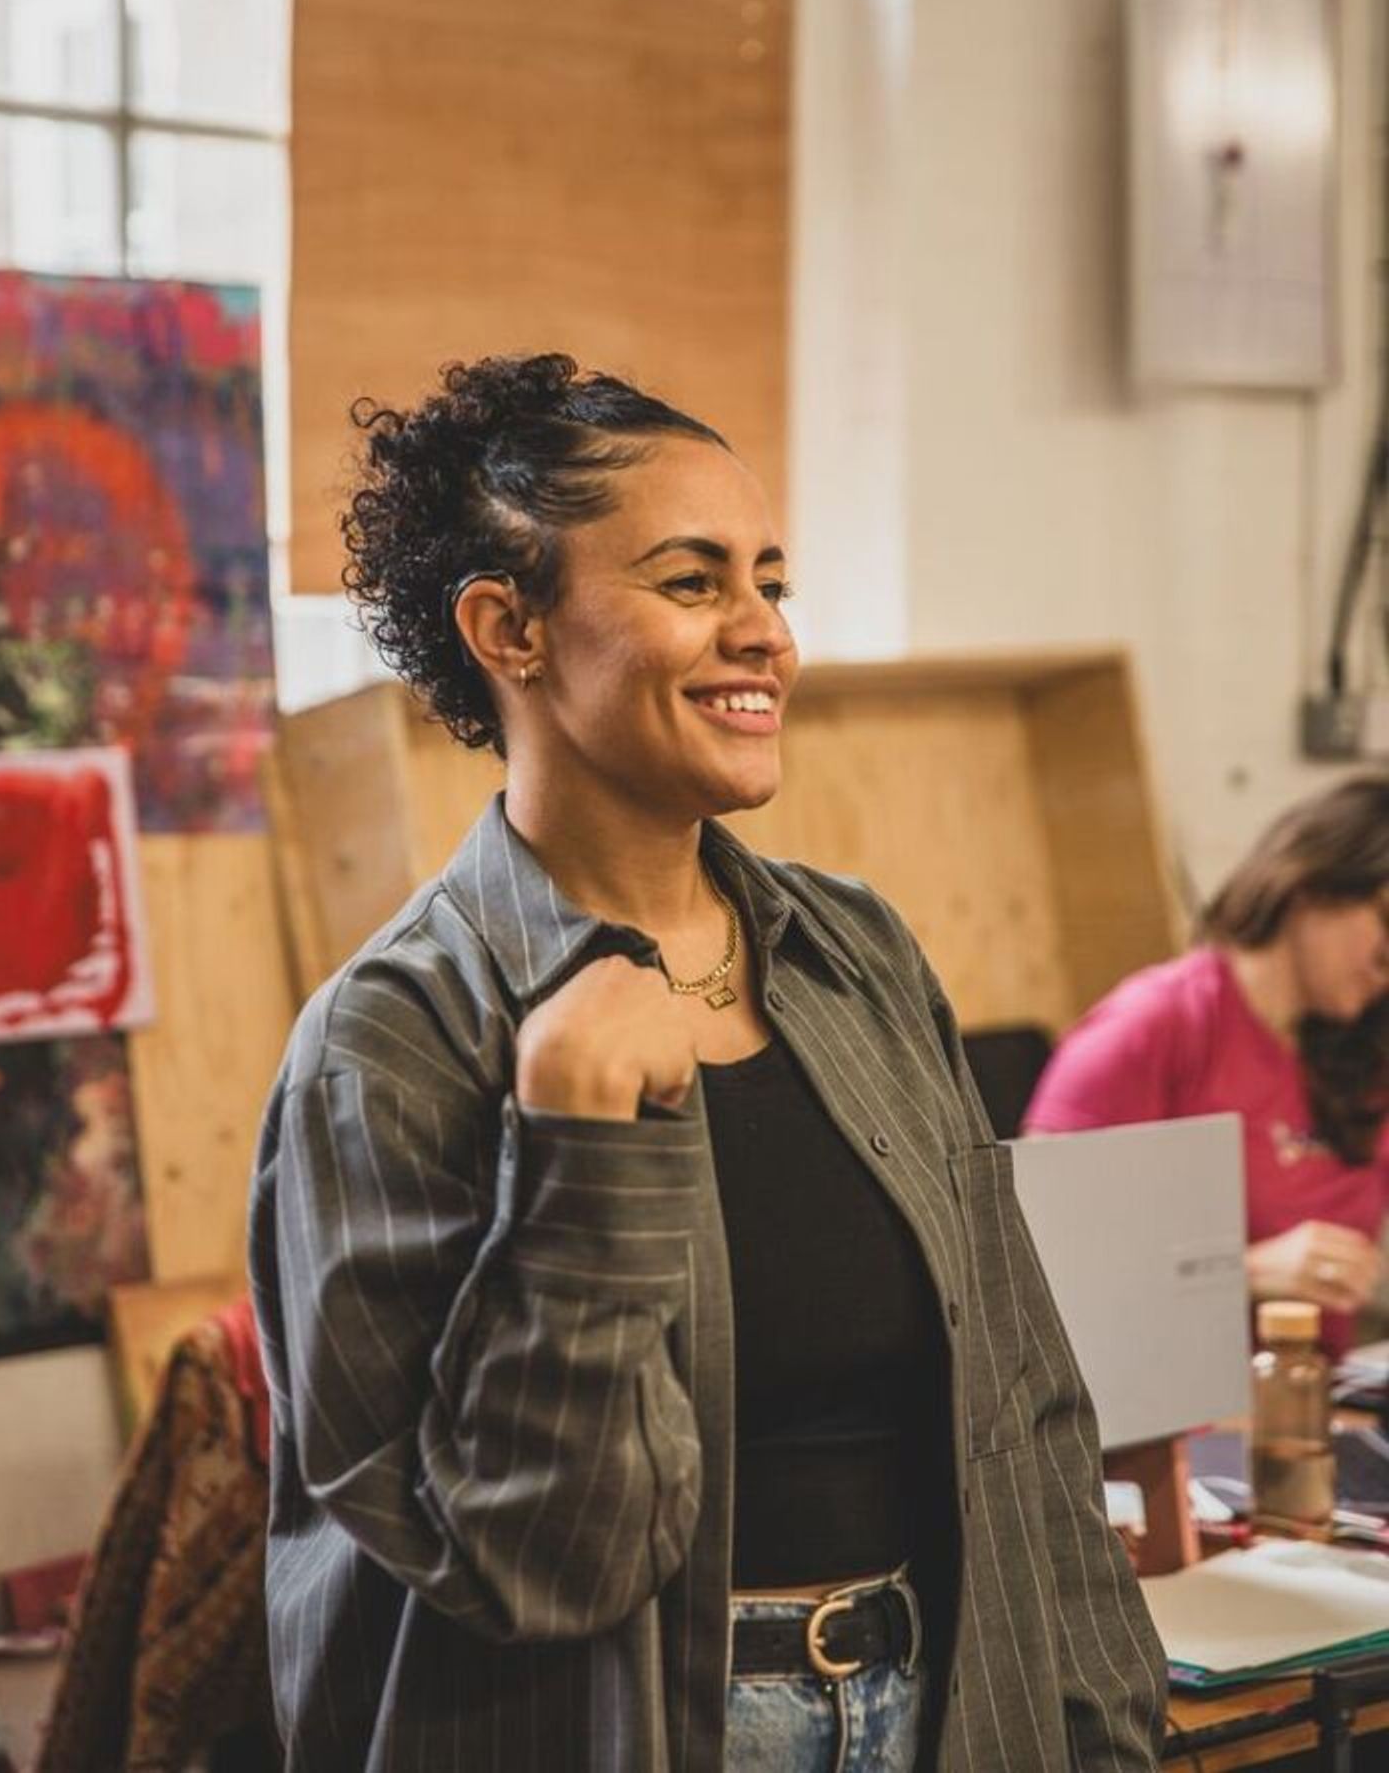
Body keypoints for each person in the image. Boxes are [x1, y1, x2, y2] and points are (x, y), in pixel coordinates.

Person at [249, 353, 1165, 1773]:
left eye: (772, 583)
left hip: (936, 1705)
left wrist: (1108, 1734)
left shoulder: (855, 952)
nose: (764, 636)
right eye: (692, 585)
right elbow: (532, 1559)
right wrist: (578, 1145)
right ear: (510, 627)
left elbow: (1024, 1403)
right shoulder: (394, 1041)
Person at [1024, 775, 1389, 1355]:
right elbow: (1033, 1261)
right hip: (1172, 1417)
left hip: (1314, 1403)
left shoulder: (1362, 1045)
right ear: (1311, 887)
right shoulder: (1155, 1027)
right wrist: (1240, 1271)